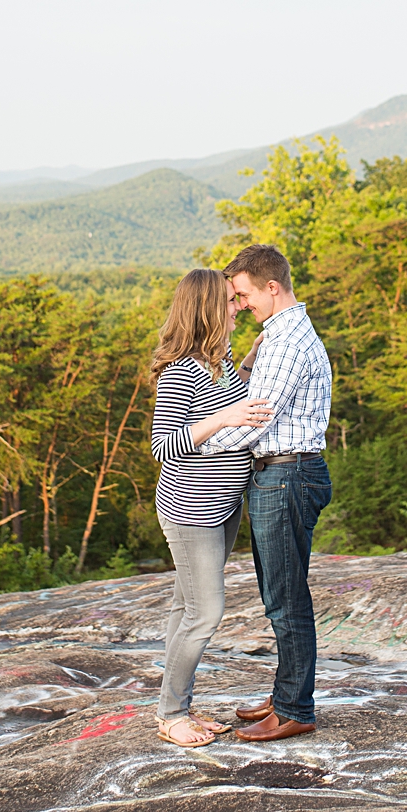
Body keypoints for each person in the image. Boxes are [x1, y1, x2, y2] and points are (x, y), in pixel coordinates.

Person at [202, 243, 333, 742]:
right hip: (282, 474)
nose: (238, 305)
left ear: (271, 287)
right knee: (279, 592)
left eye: (242, 295)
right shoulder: (281, 335)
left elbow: (256, 420)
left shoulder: (287, 343)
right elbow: (249, 395)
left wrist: (193, 445)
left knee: (285, 598)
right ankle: (286, 692)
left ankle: (295, 707)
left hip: (286, 475)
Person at [147, 268, 275, 748]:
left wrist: (252, 361)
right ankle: (171, 714)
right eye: (228, 301)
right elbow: (164, 446)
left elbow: (236, 402)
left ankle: (178, 704)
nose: (237, 306)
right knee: (205, 614)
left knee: (186, 608)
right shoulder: (182, 368)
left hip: (224, 507)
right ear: (205, 308)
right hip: (191, 512)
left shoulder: (215, 363)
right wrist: (223, 418)